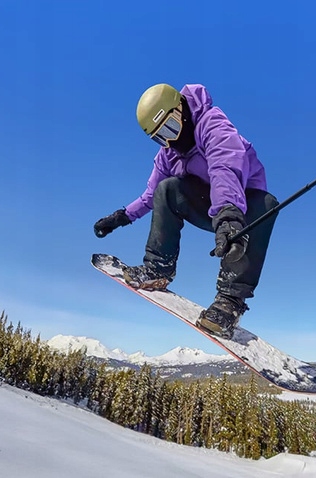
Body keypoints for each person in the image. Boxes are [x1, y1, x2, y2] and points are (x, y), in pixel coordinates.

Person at [94, 83, 278, 339]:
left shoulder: (212, 124)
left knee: (267, 204)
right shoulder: (168, 155)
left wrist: (228, 215)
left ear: (181, 110)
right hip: (211, 208)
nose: (170, 141)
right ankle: (159, 268)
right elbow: (151, 195)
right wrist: (121, 217)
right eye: (160, 137)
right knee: (168, 189)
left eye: (170, 128)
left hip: (243, 209)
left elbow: (224, 167)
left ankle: (230, 301)